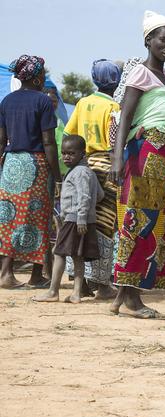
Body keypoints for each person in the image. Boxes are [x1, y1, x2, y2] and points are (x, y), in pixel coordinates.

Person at [109, 10, 165, 318]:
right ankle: (132, 300)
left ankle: (124, 294)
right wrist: (118, 156)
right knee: (142, 220)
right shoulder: (140, 73)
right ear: (148, 41)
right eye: (164, 40)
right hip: (147, 154)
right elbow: (125, 116)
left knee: (159, 222)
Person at [0, 54, 62, 289]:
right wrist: (56, 176)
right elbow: (48, 142)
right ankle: (36, 275)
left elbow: (1, 140)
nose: (45, 76)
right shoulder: (43, 102)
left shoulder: (6, 102)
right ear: (36, 78)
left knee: (9, 218)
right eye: (43, 73)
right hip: (35, 164)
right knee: (38, 218)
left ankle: (6, 273)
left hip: (12, 163)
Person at [62, 59, 122, 300]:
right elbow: (115, 142)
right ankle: (103, 284)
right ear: (116, 81)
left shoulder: (83, 102)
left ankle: (82, 282)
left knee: (82, 220)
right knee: (105, 225)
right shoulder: (115, 108)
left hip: (84, 166)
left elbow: (69, 133)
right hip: (107, 167)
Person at [32, 135, 104, 303]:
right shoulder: (88, 172)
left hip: (74, 221)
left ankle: (53, 291)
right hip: (84, 220)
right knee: (78, 256)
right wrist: (87, 214)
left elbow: (85, 196)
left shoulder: (78, 173)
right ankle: (76, 293)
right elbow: (99, 195)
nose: (66, 157)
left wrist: (80, 218)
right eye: (64, 153)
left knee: (58, 252)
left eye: (71, 153)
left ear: (82, 154)